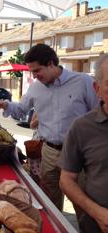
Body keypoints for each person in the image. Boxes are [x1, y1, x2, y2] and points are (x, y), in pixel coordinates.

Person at [0, 43, 99, 211]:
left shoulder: (83, 82)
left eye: (37, 70)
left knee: (83, 204)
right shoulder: (35, 88)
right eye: (32, 71)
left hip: (79, 153)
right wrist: (5, 105)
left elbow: (98, 115)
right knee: (49, 202)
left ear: (51, 63)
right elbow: (20, 111)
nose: (34, 76)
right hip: (49, 152)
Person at [59, 54, 108, 233]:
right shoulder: (82, 128)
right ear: (97, 89)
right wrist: (97, 213)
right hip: (97, 225)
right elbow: (66, 180)